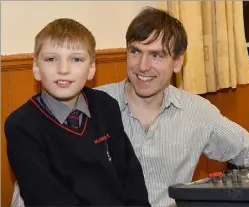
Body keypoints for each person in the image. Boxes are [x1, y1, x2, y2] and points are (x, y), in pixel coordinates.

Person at [10, 7, 249, 207]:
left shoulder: (199, 112)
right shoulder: (92, 105)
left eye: (157, 55)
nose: (143, 65)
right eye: (135, 51)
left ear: (178, 61)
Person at [5, 18, 150, 206]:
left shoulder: (106, 106)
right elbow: (47, 198)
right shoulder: (21, 126)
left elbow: (131, 178)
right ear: (36, 68)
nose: (63, 69)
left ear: (91, 69)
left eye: (76, 59)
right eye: (51, 59)